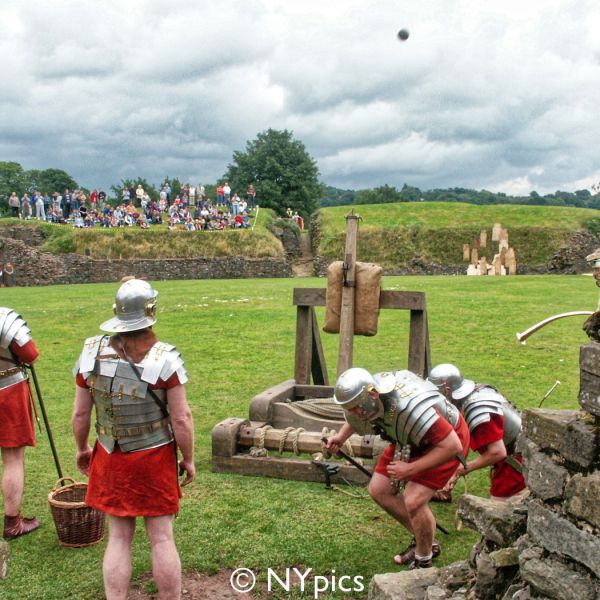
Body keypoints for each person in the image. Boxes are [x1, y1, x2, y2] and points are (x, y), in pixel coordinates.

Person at [72, 279, 195, 599]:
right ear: (150, 311)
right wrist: (189, 459)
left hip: (110, 454)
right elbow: (181, 418)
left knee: (119, 538)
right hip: (153, 457)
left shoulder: (91, 352)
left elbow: (80, 415)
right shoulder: (165, 358)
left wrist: (82, 448)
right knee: (162, 538)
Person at [325, 368, 469, 569]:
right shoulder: (365, 403)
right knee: (379, 490)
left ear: (373, 394)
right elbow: (355, 419)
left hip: (444, 442)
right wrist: (340, 438)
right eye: (349, 408)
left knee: (414, 500)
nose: (354, 412)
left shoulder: (408, 409)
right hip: (407, 438)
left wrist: (410, 469)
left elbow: (452, 446)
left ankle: (423, 559)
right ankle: (426, 540)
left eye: (356, 407)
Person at [428, 364, 526, 501]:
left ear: (448, 390)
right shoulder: (471, 395)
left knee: (498, 511)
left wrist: (460, 470)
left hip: (517, 462)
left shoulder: (478, 410)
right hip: (510, 456)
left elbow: (497, 452)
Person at [0, 307, 42, 539]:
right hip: (6, 392)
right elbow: (30, 354)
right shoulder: (4, 318)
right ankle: (13, 523)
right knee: (12, 458)